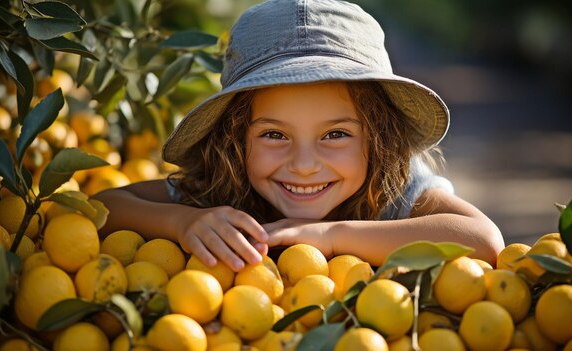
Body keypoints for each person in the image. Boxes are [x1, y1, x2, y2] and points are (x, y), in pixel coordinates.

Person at [93, 0, 504, 272]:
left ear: (378, 139)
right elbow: (103, 207)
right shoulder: (223, 185)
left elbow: (483, 240)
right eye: (274, 134)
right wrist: (183, 222)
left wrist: (332, 236)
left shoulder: (396, 187)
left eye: (336, 134)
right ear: (235, 141)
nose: (304, 164)